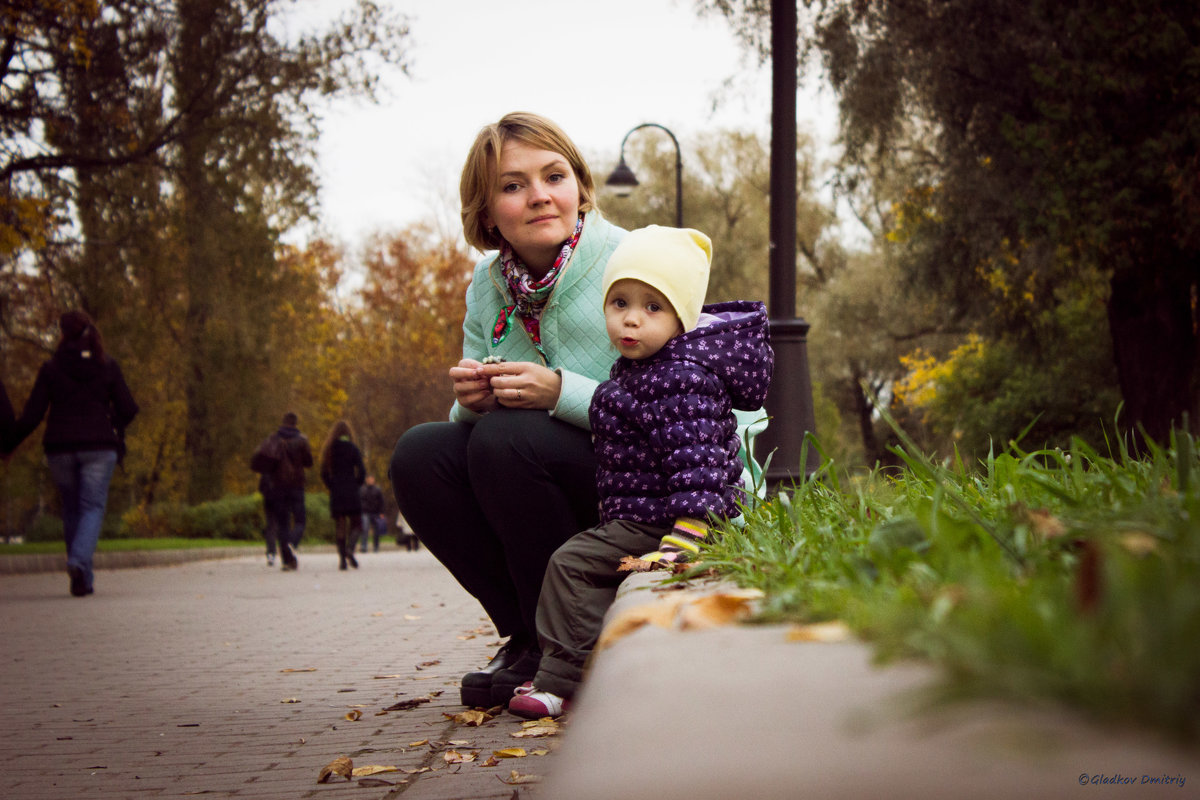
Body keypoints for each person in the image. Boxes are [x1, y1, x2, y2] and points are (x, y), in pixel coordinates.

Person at [388, 111, 628, 708]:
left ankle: (567, 638)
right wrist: (469, 403)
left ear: (579, 186)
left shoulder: (630, 259)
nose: (541, 196)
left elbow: (681, 408)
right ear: (487, 210)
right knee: (421, 453)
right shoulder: (488, 283)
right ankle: (528, 633)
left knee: (508, 439)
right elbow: (472, 434)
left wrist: (559, 391)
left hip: (640, 479)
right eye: (514, 185)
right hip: (533, 465)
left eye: (555, 175)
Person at [505, 225, 774, 719]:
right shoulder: (648, 368)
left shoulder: (678, 378)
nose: (631, 320)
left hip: (672, 524)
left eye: (653, 308)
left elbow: (700, 463)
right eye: (619, 303)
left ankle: (561, 681)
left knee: (570, 564)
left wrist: (687, 534)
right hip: (648, 513)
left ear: (681, 318)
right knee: (586, 564)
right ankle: (582, 666)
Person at [7, 310, 139, 596]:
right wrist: (110, 423)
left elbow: (32, 415)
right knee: (91, 507)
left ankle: (81, 580)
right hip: (99, 448)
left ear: (63, 335)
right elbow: (128, 408)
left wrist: (8, 442)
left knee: (71, 508)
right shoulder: (107, 366)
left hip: (60, 447)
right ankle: (78, 562)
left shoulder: (51, 369)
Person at [253, 412, 313, 571]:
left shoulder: (274, 439)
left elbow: (263, 458)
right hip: (297, 485)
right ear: (295, 423)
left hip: (278, 486)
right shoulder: (302, 440)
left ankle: (288, 561)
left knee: (283, 524)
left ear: (283, 422)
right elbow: (309, 462)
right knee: (300, 520)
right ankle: (292, 544)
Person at [320, 419, 366, 570]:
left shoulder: (329, 449)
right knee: (357, 524)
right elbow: (362, 470)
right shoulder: (353, 448)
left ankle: (342, 560)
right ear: (348, 433)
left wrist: (331, 486)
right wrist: (357, 483)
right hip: (351, 489)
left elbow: (323, 472)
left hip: (337, 490)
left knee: (340, 525)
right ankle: (350, 549)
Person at [358, 475, 387, 552]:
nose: (370, 481)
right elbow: (360, 501)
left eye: (371, 479)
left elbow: (381, 502)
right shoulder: (362, 489)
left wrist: (381, 512)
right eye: (369, 479)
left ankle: (376, 546)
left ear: (373, 480)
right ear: (366, 480)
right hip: (365, 512)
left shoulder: (377, 490)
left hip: (376, 512)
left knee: (376, 530)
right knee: (365, 529)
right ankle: (364, 546)